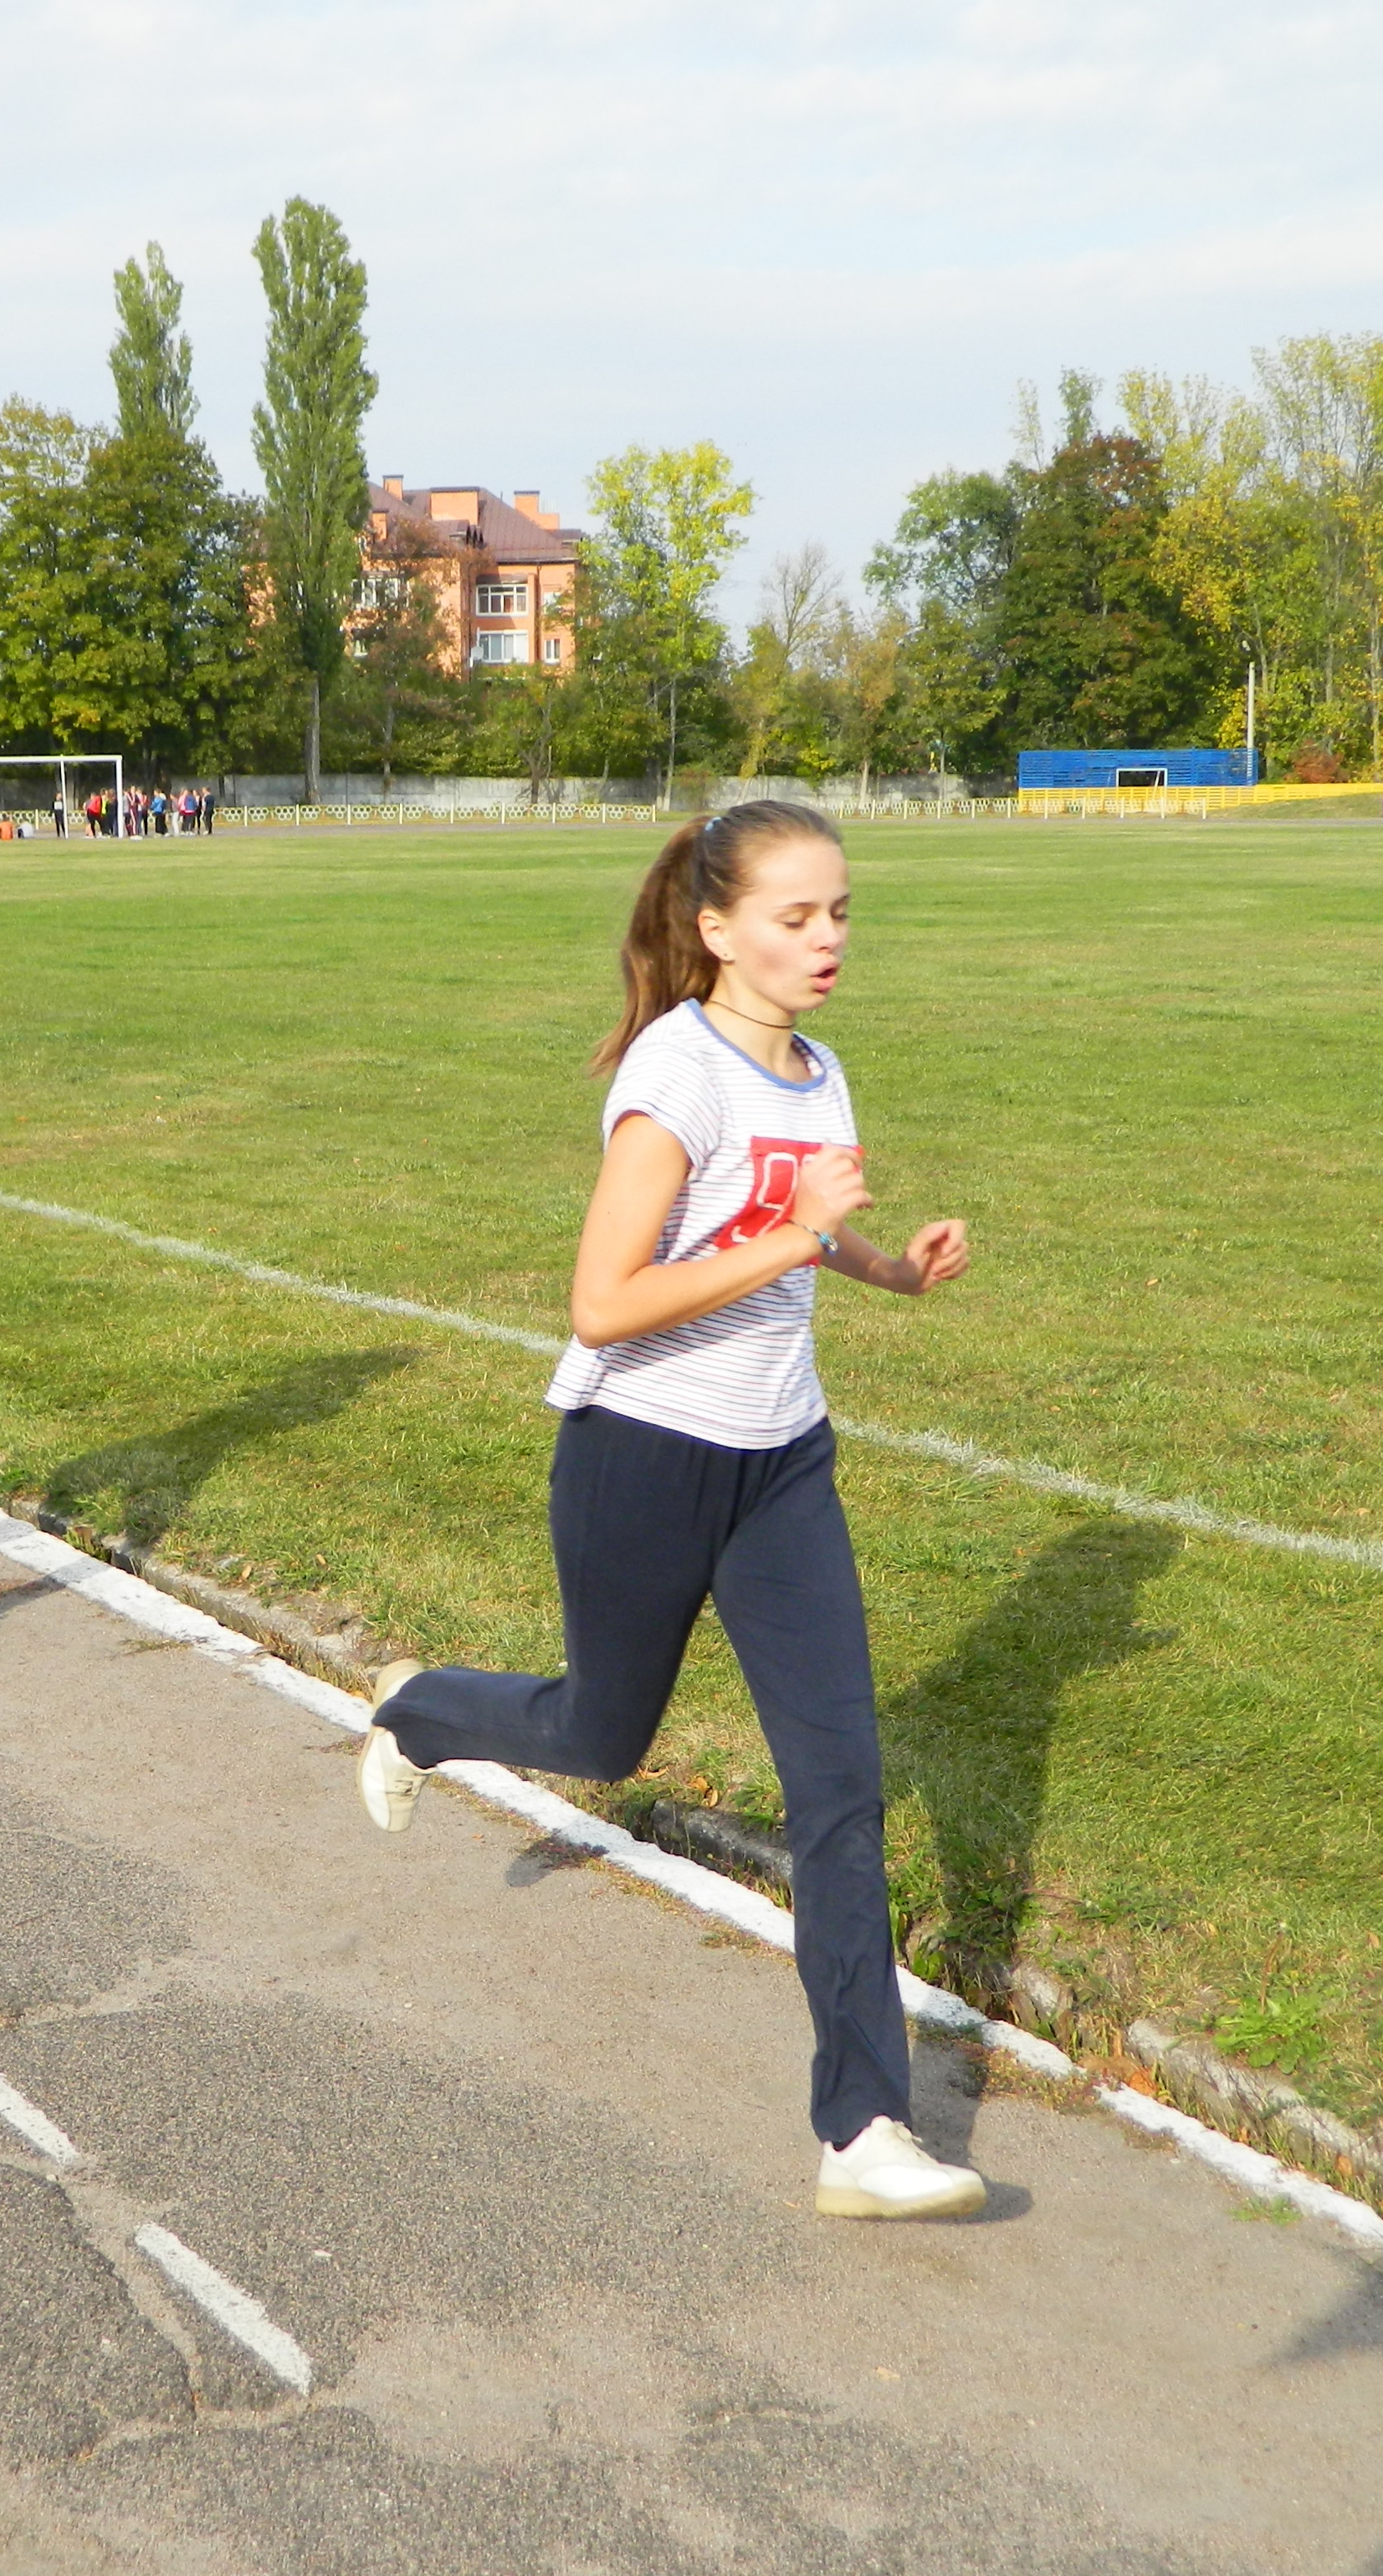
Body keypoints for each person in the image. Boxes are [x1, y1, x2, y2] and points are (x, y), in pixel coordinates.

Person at [356, 801, 988, 2223]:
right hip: (641, 1454)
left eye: (839, 913)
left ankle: (864, 2129)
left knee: (841, 1787)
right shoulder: (675, 1076)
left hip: (782, 1466)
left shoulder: (820, 1072)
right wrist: (798, 1231)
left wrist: (890, 1270)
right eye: (795, 916)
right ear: (717, 929)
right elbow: (606, 1302)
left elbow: (795, 1241)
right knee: (601, 1733)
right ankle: (421, 1712)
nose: (827, 939)